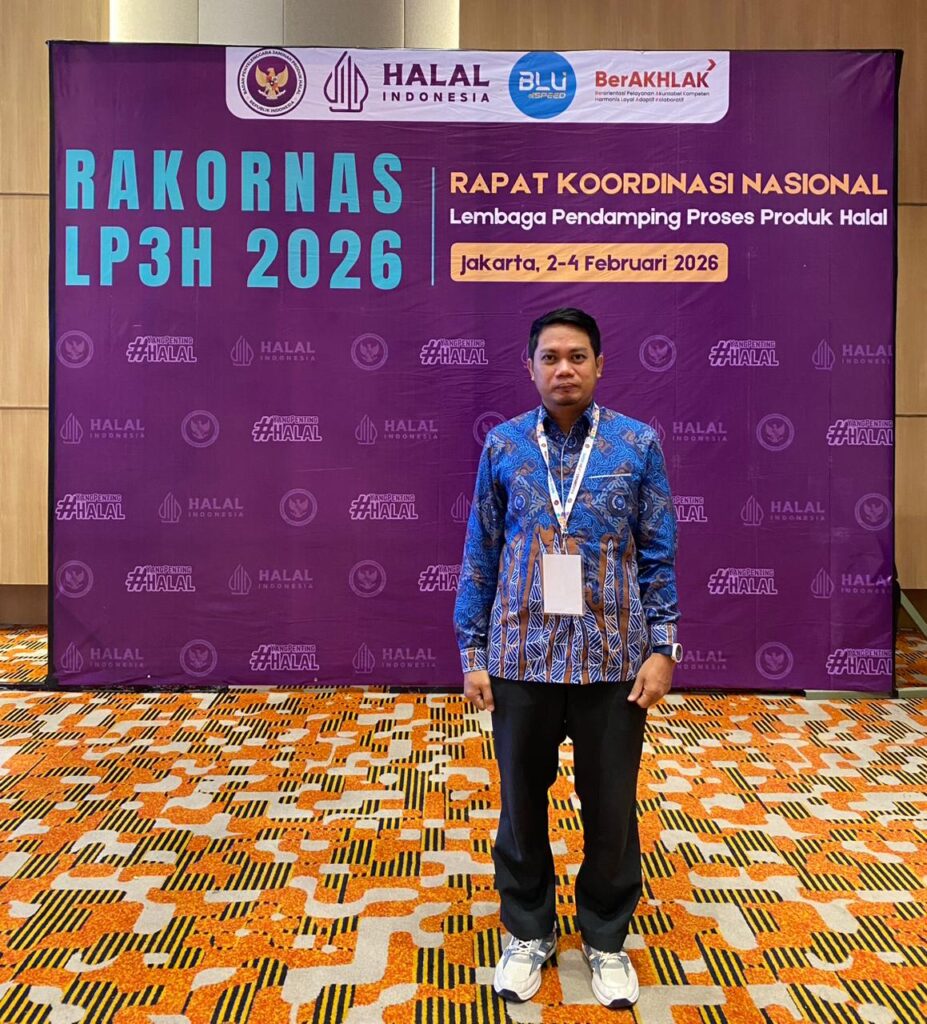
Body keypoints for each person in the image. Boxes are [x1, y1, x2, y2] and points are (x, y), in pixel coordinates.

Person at [453, 307, 681, 1009]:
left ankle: (605, 938)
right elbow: (481, 549)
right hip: (521, 655)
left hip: (612, 660)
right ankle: (529, 931)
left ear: (599, 365)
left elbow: (659, 553)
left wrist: (664, 647)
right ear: (529, 367)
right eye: (549, 357)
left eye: (577, 357)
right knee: (520, 804)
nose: (563, 370)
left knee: (611, 808)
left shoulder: (636, 444)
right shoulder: (502, 445)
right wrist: (472, 650)